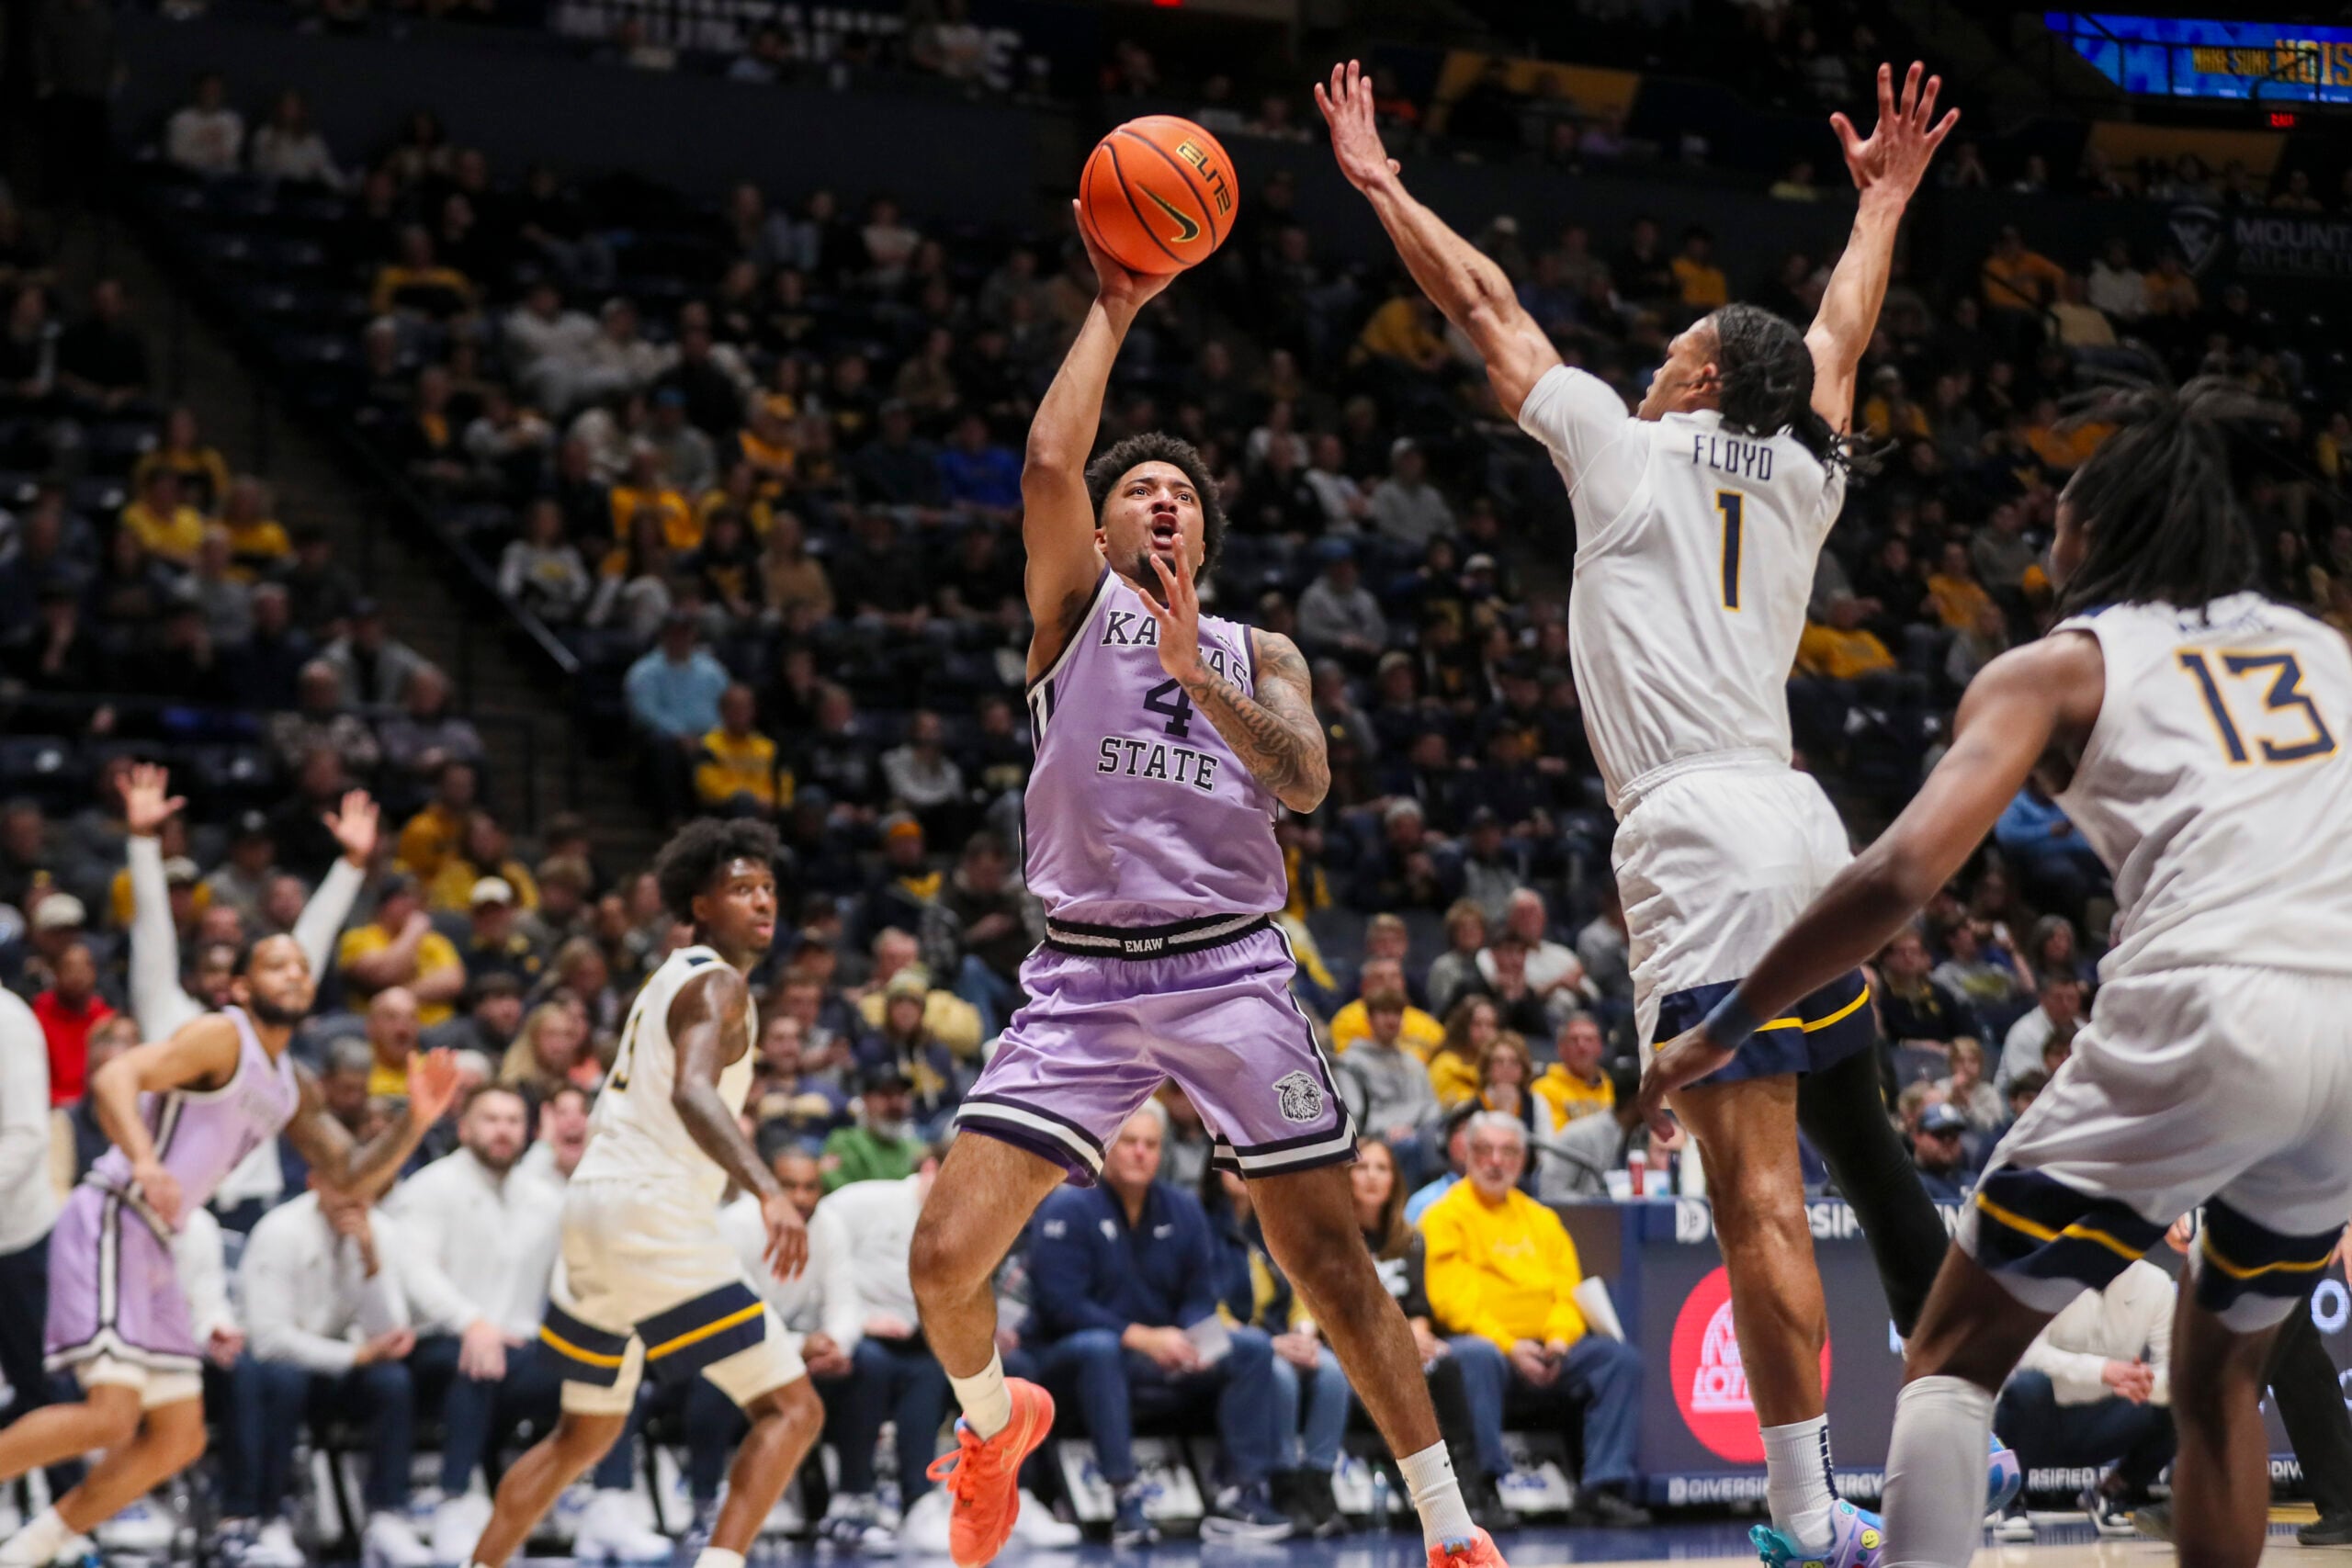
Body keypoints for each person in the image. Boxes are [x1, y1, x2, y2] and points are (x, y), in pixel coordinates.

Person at [1317, 59, 1995, 1568]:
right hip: (1808, 824)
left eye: (1674, 344)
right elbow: (1843, 328)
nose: (1655, 357)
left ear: (1695, 379)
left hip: (1697, 831)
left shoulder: (1624, 458)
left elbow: (1486, 307)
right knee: (1846, 1159)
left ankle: (1811, 1516)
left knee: (1754, 1192)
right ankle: (1944, 1447)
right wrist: (1884, 198)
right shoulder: (1809, 468)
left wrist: (1380, 186)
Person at [1635, 378, 2352, 1568]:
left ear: (2108, 525)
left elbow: (1901, 872)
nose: (2045, 527)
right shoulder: (2320, 649)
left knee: (1952, 1354)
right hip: (2344, 1022)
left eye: (2062, 508)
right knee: (2223, 1379)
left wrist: (1729, 1019)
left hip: (2211, 1002)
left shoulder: (2058, 667)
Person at [906, 172, 1497, 1568]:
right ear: (1106, 537)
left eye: (1178, 492)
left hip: (1235, 967)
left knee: (1331, 1262)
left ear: (1204, 537)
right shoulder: (1069, 615)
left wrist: (1196, 675)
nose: (1156, 500)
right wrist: (1112, 304)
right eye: (1138, 491)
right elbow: (1050, 465)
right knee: (941, 1258)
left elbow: (1305, 779)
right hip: (1086, 978)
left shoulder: (1257, 650)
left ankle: (1452, 1531)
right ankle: (994, 1426)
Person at [0, 940, 462, 1568]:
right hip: (116, 1212)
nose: (295, 974)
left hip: (163, 1237)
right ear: (242, 986)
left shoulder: (289, 1083)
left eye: (303, 966)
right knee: (112, 1417)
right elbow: (114, 1075)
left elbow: (349, 1176)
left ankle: (27, 1550)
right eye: (276, 964)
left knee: (178, 1437)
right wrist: (143, 1159)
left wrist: (415, 1120)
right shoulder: (223, 1035)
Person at [458, 821, 825, 1568]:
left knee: (585, 1433)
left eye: (768, 888)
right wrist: (767, 1190)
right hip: (648, 1210)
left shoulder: (672, 975)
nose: (762, 901)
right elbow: (694, 1089)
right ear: (699, 902)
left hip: (593, 1206)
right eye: (740, 888)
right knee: (793, 1408)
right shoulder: (718, 982)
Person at [1024, 1109, 1288, 1547]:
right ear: (1107, 1148)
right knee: (1099, 1348)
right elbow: (1061, 1305)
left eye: (1151, 1144)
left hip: (1163, 1352)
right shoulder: (1067, 1206)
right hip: (1073, 1357)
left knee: (1252, 1347)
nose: (1141, 1153)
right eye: (1130, 1143)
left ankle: (1239, 1493)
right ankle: (1125, 1498)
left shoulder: (1182, 1209)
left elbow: (1199, 1296)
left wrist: (1189, 1337)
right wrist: (1142, 1337)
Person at [1421, 1113, 1650, 1526]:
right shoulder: (1443, 1216)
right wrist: (1510, 1346)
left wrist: (1559, 1343)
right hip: (1487, 1349)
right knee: (1474, 1356)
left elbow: (1570, 1291)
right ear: (1467, 1156)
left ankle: (1601, 1488)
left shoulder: (1542, 1219)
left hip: (1547, 1350)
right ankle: (1482, 1489)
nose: (1496, 1161)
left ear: (1523, 1160)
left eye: (1508, 1152)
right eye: (1485, 1150)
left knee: (1618, 1360)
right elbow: (1452, 1301)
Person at [229, 1172, 430, 1568]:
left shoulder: (381, 1233)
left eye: (361, 1182)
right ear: (315, 1181)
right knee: (281, 1382)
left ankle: (387, 1517)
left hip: (337, 1368)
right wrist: (354, 1357)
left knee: (392, 1383)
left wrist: (371, 1262)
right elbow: (268, 1342)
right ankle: (271, 1518)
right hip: (277, 1369)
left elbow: (390, 1334)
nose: (352, 1195)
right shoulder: (279, 1231)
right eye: (342, 1181)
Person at [1989, 1257, 2176, 1539]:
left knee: (2180, 1402)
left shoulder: (2156, 1282)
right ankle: (2012, 1501)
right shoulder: (2047, 1272)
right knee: (2028, 1386)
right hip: (2038, 1422)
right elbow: (2027, 1356)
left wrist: (2143, 1382)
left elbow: (2173, 1370)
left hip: (2106, 1423)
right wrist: (2103, 1371)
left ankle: (2112, 1493)